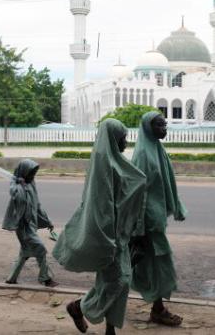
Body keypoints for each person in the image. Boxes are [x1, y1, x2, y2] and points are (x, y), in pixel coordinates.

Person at [52, 119, 146, 335]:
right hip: (108, 235)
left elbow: (128, 187)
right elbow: (101, 203)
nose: (126, 143)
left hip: (120, 234)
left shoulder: (116, 160)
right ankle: (79, 306)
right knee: (120, 281)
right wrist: (107, 237)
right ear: (113, 139)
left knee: (115, 283)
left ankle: (110, 330)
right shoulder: (104, 160)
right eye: (123, 139)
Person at [131, 111, 187, 327]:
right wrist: (139, 226)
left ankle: (157, 308)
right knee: (157, 265)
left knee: (144, 265)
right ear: (148, 128)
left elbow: (165, 183)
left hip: (155, 219)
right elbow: (140, 193)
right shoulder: (144, 154)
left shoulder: (157, 149)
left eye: (165, 125)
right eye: (160, 126)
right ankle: (158, 309)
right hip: (147, 222)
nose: (165, 129)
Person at [2, 158, 58, 287]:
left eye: (34, 172)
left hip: (31, 225)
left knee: (24, 253)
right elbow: (17, 197)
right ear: (24, 172)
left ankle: (11, 279)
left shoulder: (31, 183)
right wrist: (18, 184)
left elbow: (37, 204)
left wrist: (47, 221)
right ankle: (45, 278)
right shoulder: (16, 186)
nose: (33, 175)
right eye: (31, 172)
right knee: (41, 249)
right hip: (23, 227)